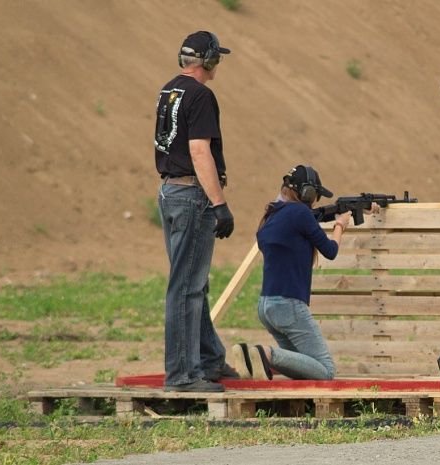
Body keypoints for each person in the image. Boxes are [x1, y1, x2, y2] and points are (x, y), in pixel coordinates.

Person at [232, 165, 377, 380]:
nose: (315, 200)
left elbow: (311, 219)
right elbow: (330, 250)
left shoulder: (271, 215)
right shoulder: (301, 213)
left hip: (266, 306)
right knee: (325, 370)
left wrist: (351, 209)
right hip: (289, 306)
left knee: (302, 366)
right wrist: (340, 224)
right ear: (307, 192)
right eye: (315, 195)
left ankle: (252, 360)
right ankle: (266, 354)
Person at [154, 31, 239, 392]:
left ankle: (208, 359)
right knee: (187, 288)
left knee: (192, 283)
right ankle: (183, 375)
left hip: (171, 191)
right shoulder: (201, 94)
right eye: (215, 57)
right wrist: (219, 204)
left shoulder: (169, 90)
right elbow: (199, 150)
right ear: (207, 60)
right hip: (192, 196)